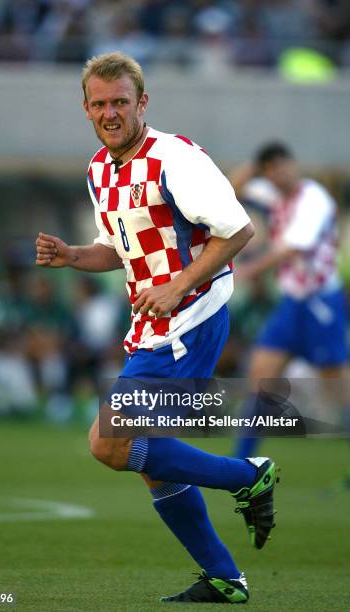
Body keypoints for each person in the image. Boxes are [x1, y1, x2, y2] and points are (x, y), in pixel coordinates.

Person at [35, 52, 278, 604]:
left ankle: (247, 475)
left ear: (142, 102)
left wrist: (175, 287)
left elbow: (238, 231)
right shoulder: (101, 168)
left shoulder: (177, 158)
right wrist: (74, 255)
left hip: (190, 318)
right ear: (86, 109)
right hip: (151, 323)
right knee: (144, 456)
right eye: (99, 104)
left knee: (110, 443)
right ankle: (224, 576)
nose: (110, 112)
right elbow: (118, 251)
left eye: (120, 101)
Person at [230, 142, 349, 460]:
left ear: (293, 164)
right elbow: (229, 193)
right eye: (271, 168)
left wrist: (249, 269)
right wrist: (253, 166)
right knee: (260, 377)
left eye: (281, 165)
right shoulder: (274, 195)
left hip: (321, 303)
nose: (278, 172)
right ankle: (242, 466)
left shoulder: (314, 199)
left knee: (339, 389)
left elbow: (293, 248)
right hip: (292, 302)